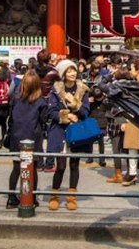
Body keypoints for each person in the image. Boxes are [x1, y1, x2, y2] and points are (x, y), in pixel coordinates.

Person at [47, 59, 90, 211]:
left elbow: (85, 111)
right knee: (60, 166)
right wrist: (67, 115)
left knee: (74, 165)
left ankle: (72, 197)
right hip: (60, 131)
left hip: (76, 131)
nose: (72, 73)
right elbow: (51, 112)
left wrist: (76, 105)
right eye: (69, 70)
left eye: (74, 70)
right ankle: (54, 195)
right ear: (63, 73)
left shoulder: (82, 89)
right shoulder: (56, 90)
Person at [6, 70, 49, 209]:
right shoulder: (41, 100)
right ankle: (32, 197)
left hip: (16, 135)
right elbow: (43, 120)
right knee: (33, 168)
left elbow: (10, 118)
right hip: (33, 136)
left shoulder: (15, 98)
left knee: (16, 168)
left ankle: (11, 198)